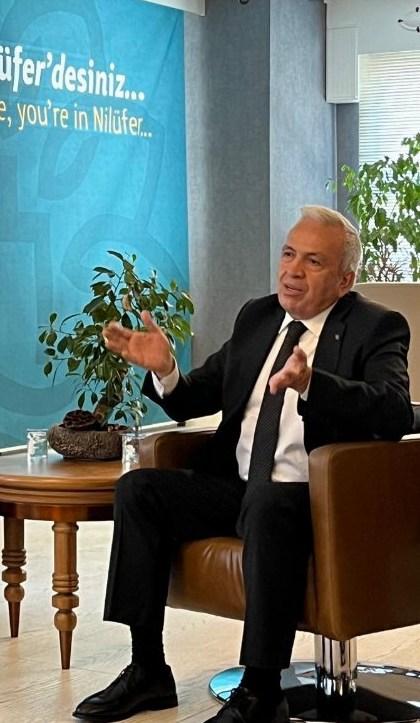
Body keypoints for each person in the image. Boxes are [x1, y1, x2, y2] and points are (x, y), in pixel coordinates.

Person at [74, 205, 412, 723]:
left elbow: (394, 410)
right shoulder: (258, 317)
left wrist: (312, 384)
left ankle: (261, 692)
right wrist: (166, 370)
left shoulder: (376, 327)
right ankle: (148, 670)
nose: (292, 271)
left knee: (269, 501)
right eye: (288, 254)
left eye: (313, 261)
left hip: (319, 500)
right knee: (138, 490)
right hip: (238, 486)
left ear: (345, 280)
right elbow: (197, 396)